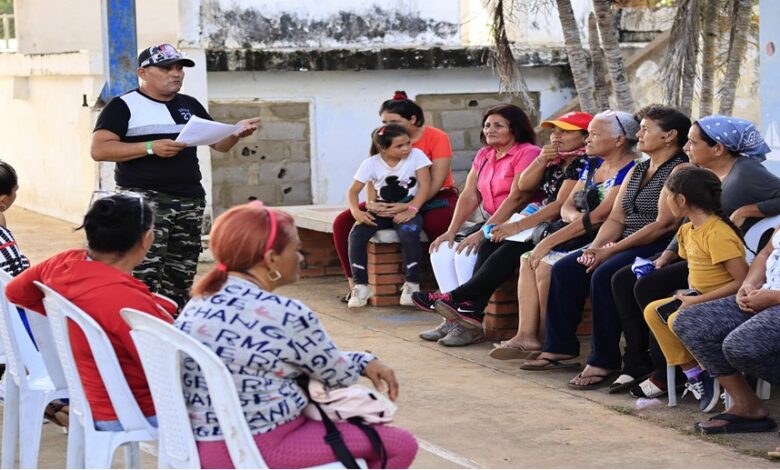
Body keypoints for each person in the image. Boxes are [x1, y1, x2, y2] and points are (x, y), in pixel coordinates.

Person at [176, 202, 417, 469]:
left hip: (202, 445)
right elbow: (336, 375)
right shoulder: (286, 314)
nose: (301, 258)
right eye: (296, 250)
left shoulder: (199, 303)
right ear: (271, 259)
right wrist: (364, 361)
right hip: (260, 444)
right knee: (400, 445)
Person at [523, 105, 690, 390]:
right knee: (567, 268)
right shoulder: (639, 168)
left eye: (646, 129)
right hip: (623, 240)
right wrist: (595, 248)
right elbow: (616, 217)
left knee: (604, 274)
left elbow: (663, 224)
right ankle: (560, 346)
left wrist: (608, 252)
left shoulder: (679, 169)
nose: (639, 135)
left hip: (658, 243)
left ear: (669, 136)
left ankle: (604, 359)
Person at [612, 116, 780, 398]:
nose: (687, 146)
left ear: (719, 148)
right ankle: (664, 365)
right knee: (629, 281)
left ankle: (682, 372)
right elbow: (685, 226)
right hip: (706, 253)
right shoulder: (699, 173)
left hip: (723, 256)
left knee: (651, 290)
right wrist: (667, 254)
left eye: (693, 141)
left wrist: (747, 210)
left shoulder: (746, 171)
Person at [90, 43, 260, 311]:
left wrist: (234, 134)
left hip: (189, 201)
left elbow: (219, 145)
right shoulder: (123, 106)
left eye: (179, 68)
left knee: (180, 276)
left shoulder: (189, 105)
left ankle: (173, 330)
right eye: (167, 67)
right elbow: (99, 150)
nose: (176, 73)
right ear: (143, 73)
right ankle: (134, 332)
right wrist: (149, 147)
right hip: (145, 202)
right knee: (143, 273)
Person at [412, 111, 592, 347]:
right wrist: (542, 161)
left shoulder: (577, 161)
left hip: (543, 223)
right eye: (554, 131)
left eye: (565, 132)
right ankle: (461, 315)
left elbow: (527, 198)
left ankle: (457, 301)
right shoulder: (552, 159)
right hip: (526, 220)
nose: (556, 137)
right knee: (454, 247)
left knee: (496, 246)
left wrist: (499, 227)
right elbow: (490, 191)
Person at [6, 193, 176, 431]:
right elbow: (169, 367)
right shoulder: (126, 302)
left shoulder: (62, 264)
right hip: (135, 410)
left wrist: (69, 318)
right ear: (146, 239)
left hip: (87, 397)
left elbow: (15, 291)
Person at [490, 111, 638, 359]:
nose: (587, 140)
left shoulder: (631, 168)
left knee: (547, 265)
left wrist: (551, 240)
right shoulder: (592, 164)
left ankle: (552, 339)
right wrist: (574, 218)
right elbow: (567, 205)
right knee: (527, 259)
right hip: (580, 231)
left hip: (606, 238)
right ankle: (527, 335)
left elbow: (602, 215)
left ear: (619, 139)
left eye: (593, 134)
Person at [412, 104, 541, 346]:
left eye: (498, 125)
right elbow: (470, 195)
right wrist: (451, 231)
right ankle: (452, 320)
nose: (490, 129)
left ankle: (468, 324)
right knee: (441, 248)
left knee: (466, 254)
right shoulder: (484, 155)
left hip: (520, 221)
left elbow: (518, 198)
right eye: (487, 125)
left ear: (515, 128)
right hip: (492, 221)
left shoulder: (528, 152)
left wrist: (483, 232)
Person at [332, 91, 456, 302]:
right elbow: (373, 177)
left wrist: (408, 207)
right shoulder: (385, 139)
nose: (386, 126)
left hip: (434, 196)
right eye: (384, 121)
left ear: (412, 119)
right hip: (391, 200)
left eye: (393, 121)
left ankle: (444, 287)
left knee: (436, 225)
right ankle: (356, 284)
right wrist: (371, 205)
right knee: (343, 222)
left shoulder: (436, 138)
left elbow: (433, 182)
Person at [643, 167, 748, 412]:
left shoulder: (717, 233)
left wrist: (698, 300)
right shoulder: (686, 230)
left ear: (681, 200)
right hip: (700, 297)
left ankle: (711, 369)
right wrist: (691, 295)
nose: (666, 201)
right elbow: (694, 267)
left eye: (667, 195)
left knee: (677, 317)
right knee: (653, 311)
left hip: (727, 301)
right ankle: (695, 373)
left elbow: (742, 282)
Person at [671, 221, 779, 436]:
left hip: (774, 300)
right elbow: (766, 253)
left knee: (742, 346)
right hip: (764, 295)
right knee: (690, 321)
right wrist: (749, 284)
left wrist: (774, 298)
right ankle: (747, 406)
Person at [346, 124, 431, 307]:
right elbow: (353, 192)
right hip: (381, 212)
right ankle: (361, 285)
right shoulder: (371, 163)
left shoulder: (417, 156)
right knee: (357, 233)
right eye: (399, 146)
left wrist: (411, 210)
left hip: (409, 210)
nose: (407, 148)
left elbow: (425, 186)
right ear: (383, 148)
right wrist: (357, 212)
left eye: (408, 143)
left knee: (409, 232)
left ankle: (412, 284)